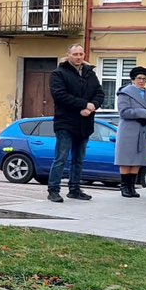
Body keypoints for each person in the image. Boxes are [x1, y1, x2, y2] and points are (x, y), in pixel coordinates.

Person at [47, 44, 104, 202]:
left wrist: (92, 107)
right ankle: (53, 189)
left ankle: (75, 189)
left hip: (85, 122)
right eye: (75, 54)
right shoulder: (59, 73)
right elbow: (60, 95)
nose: (78, 57)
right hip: (65, 122)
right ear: (68, 55)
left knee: (79, 159)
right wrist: (83, 104)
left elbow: (99, 93)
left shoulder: (89, 73)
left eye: (81, 54)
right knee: (61, 158)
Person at [115, 66, 146, 198]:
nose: (141, 81)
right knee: (126, 159)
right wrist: (143, 113)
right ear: (133, 79)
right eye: (139, 78)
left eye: (144, 79)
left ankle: (132, 186)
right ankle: (124, 186)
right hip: (128, 130)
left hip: (143, 130)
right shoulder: (125, 92)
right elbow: (123, 111)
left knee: (138, 159)